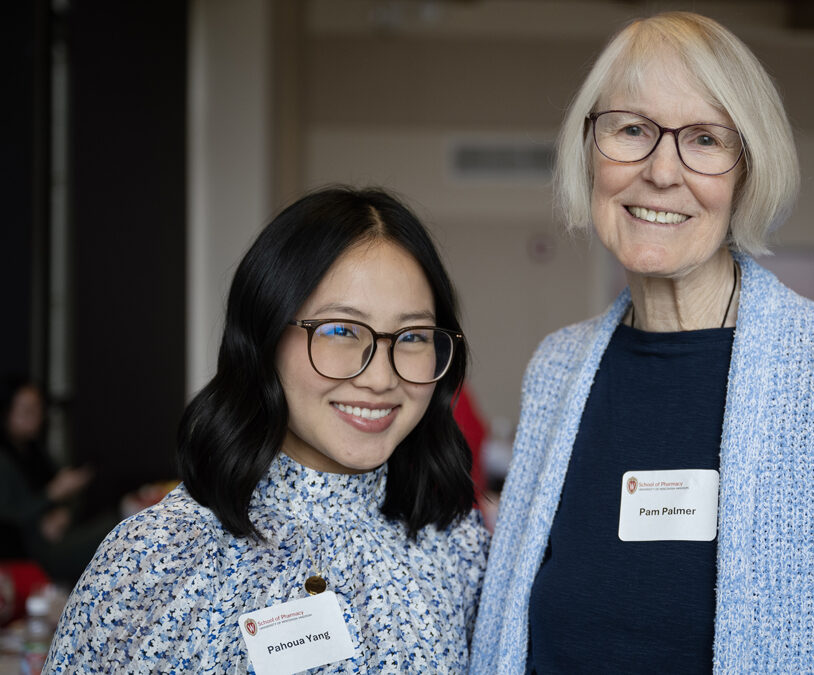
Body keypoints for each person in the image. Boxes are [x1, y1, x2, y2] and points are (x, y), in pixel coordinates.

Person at [470, 11, 814, 673]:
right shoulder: (555, 369)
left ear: (745, 171)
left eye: (702, 139)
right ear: (590, 150)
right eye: (631, 129)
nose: (660, 170)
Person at [44, 187, 489, 672]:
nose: (381, 377)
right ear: (265, 334)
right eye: (341, 329)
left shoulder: (456, 546)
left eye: (413, 336)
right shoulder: (157, 559)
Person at [0, 376, 100, 583]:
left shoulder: (36, 451)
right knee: (113, 534)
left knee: (114, 526)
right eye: (26, 411)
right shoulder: (5, 459)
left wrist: (63, 513)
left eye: (38, 410)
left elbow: (67, 496)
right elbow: (9, 517)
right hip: (27, 551)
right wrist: (51, 495)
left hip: (58, 537)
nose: (35, 417)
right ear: (6, 411)